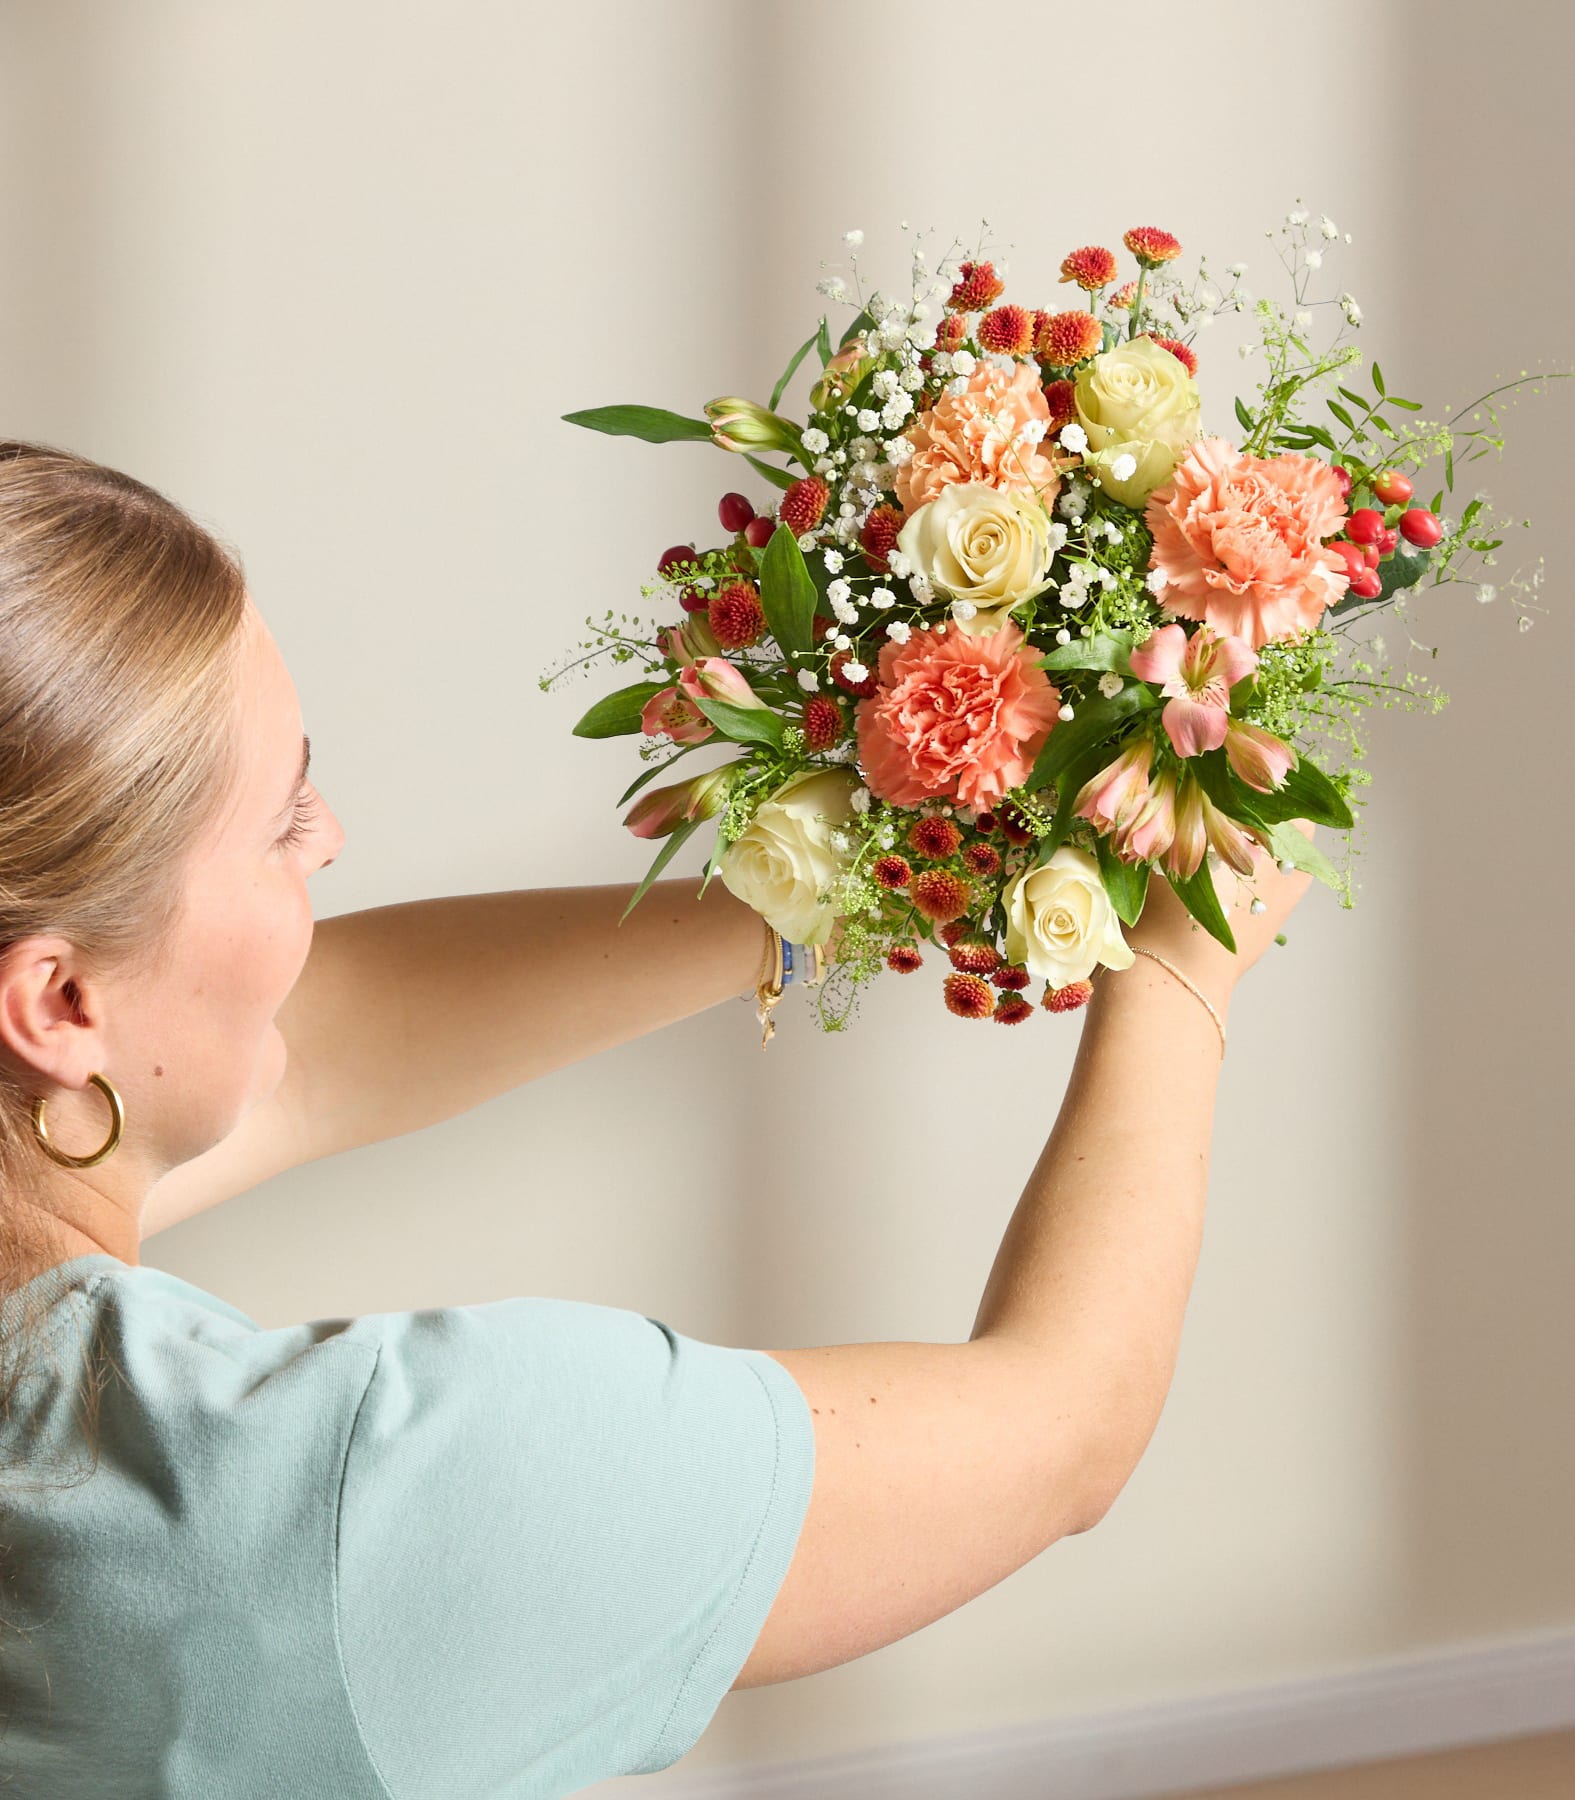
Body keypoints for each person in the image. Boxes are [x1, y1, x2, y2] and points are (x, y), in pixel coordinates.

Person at [0, 437, 1314, 1798]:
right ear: (58, 1004)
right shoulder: (339, 1495)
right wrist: (1184, 969)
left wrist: (827, 888)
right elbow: (1063, 1429)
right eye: (280, 821)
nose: (328, 836)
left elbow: (324, 1045)